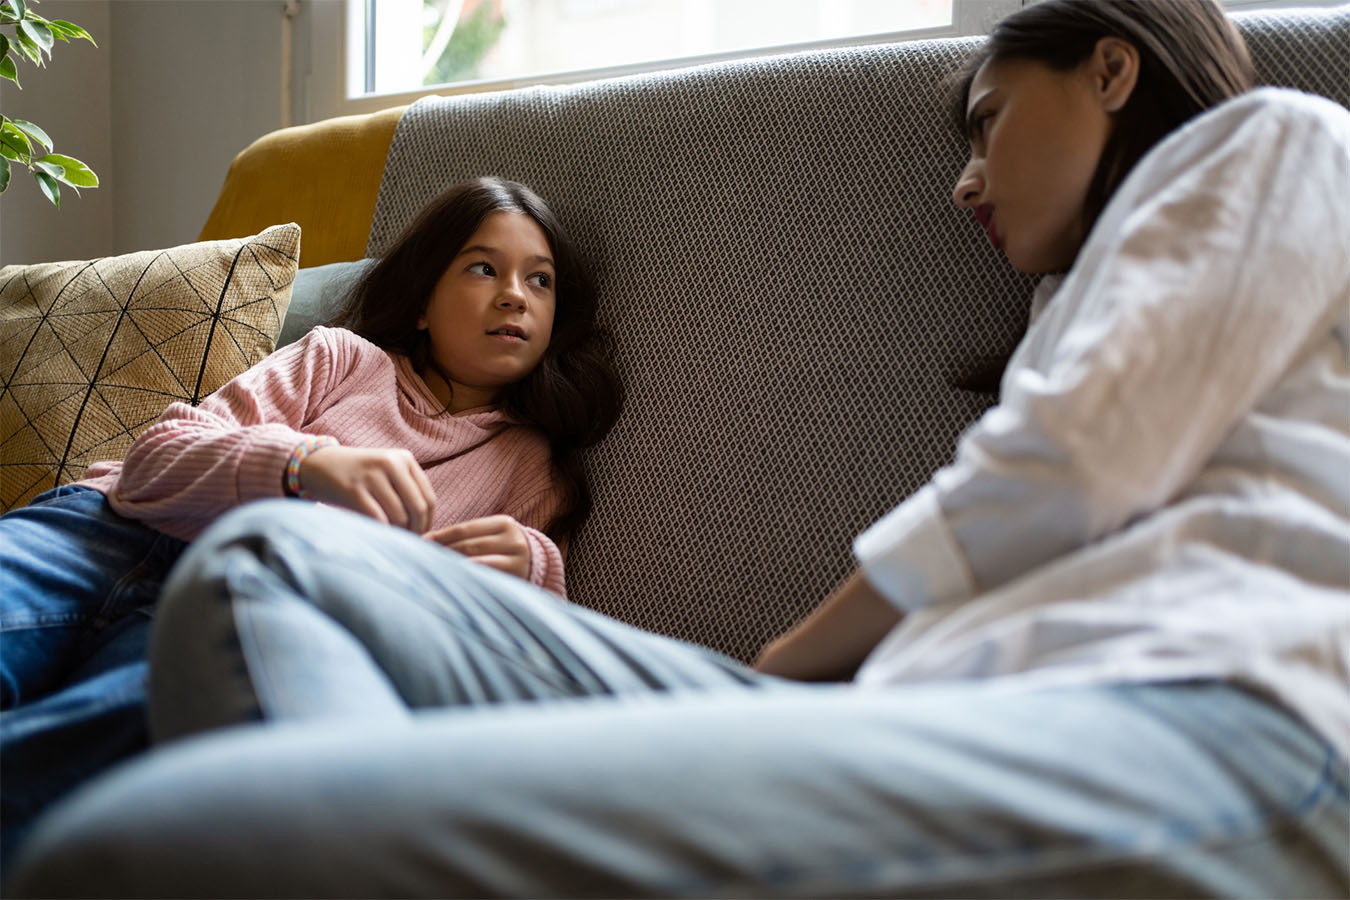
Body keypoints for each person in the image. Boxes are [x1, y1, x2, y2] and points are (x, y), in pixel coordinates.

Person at [10, 1, 1350, 896]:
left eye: (989, 118)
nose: (961, 179)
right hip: (914, 716)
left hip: (1202, 706)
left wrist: (762, 661)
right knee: (264, 572)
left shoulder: (1273, 140)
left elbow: (1063, 468)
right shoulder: (1073, 297)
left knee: (129, 852)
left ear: (1108, 67)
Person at [0, 177, 623, 863]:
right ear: (421, 302)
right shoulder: (339, 358)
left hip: (230, 609)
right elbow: (152, 464)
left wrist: (534, 568)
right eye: (484, 267)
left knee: (126, 740)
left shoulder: (533, 468)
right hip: (104, 536)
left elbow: (523, 662)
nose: (515, 294)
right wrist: (304, 464)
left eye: (540, 281)